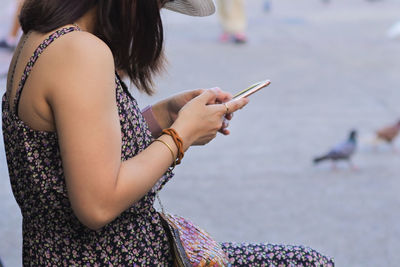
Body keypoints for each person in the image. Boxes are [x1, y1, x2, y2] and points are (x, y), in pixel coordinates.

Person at [2, 0, 334, 265]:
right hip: (115, 257)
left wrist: (164, 115)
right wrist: (181, 136)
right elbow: (97, 205)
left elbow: (79, 150)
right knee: (308, 262)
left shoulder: (45, 37)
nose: (156, 12)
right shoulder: (81, 52)